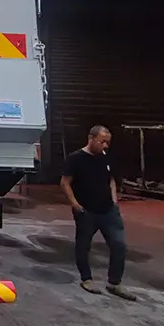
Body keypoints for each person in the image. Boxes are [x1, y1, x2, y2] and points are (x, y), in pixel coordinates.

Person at [60, 125, 136, 300]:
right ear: (91, 138)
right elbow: (65, 183)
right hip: (87, 211)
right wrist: (75, 205)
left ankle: (114, 283)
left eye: (107, 142)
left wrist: (114, 201)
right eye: (102, 142)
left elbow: (111, 181)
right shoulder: (75, 159)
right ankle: (86, 279)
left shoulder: (106, 158)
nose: (105, 146)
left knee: (119, 245)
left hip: (109, 211)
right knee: (84, 245)